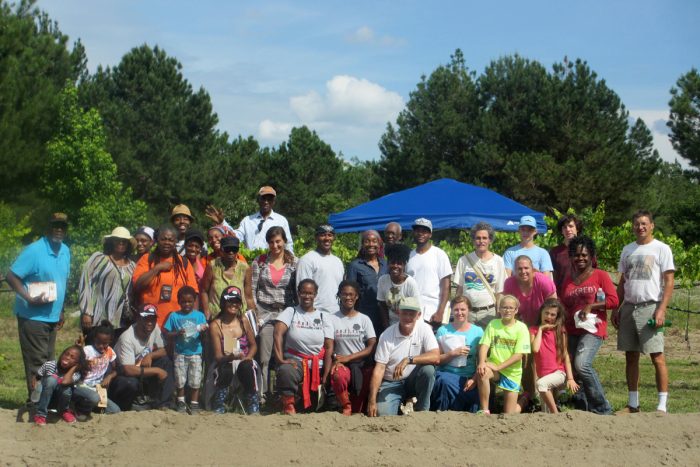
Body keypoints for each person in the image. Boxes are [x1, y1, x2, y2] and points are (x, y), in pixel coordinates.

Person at [613, 210, 674, 414]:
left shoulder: (661, 249)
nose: (640, 227)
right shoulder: (627, 249)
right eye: (637, 224)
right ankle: (633, 404)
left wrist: (661, 309)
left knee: (657, 356)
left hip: (650, 307)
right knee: (631, 356)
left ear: (652, 226)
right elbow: (623, 281)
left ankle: (662, 405)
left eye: (644, 223)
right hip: (630, 307)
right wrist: (616, 307)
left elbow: (669, 281)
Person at [6, 213, 71, 402]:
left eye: (62, 226)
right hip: (33, 317)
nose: (58, 229)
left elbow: (61, 281)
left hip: (51, 316)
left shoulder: (65, 250)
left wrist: (61, 310)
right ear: (47, 228)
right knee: (38, 364)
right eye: (55, 226)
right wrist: (28, 298)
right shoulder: (34, 251)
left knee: (49, 363)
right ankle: (36, 404)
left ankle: (43, 403)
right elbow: (12, 276)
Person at [560, 236, 618, 415]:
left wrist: (591, 306)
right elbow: (563, 302)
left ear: (592, 255)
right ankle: (582, 404)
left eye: (584, 255)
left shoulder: (600, 275)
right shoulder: (569, 278)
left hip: (593, 329)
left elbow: (614, 300)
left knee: (582, 364)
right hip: (571, 328)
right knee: (573, 367)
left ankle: (602, 408)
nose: (580, 258)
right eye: (576, 255)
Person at [367, 297, 439, 417]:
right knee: (383, 415)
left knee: (428, 370)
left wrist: (409, 360)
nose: (407, 317)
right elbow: (379, 369)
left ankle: (422, 412)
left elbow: (436, 356)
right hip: (391, 382)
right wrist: (372, 400)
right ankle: (403, 404)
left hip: (413, 380)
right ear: (398, 313)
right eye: (404, 313)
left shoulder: (425, 329)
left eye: (412, 314)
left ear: (419, 315)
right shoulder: (387, 335)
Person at [274, 279, 334, 414]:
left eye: (310, 293)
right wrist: (280, 359)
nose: (307, 296)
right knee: (286, 370)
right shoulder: (291, 312)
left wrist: (326, 373)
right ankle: (288, 405)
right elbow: (277, 333)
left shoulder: (324, 316)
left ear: (315, 294)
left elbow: (329, 347)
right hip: (296, 360)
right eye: (304, 293)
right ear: (298, 293)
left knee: (315, 405)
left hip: (317, 363)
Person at [503, 255, 556, 406]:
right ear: (514, 270)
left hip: (544, 322)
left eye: (526, 268)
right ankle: (530, 393)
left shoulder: (543, 281)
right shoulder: (510, 283)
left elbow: (554, 305)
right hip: (523, 323)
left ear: (533, 270)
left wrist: (549, 326)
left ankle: (552, 395)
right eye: (519, 268)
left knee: (544, 355)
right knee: (525, 356)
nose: (523, 271)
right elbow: (509, 306)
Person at [252, 226, 299, 396]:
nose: (275, 245)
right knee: (264, 357)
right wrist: (255, 315)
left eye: (278, 241)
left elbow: (297, 290)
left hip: (286, 313)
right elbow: (252, 289)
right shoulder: (260, 261)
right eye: (271, 242)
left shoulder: (294, 262)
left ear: (284, 241)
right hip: (264, 313)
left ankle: (283, 393)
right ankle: (263, 394)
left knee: (284, 355)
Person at [110, 304, 175, 411]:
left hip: (140, 369)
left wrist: (150, 355)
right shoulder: (127, 338)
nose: (149, 323)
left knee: (166, 362)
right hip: (120, 375)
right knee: (130, 383)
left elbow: (165, 350)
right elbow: (128, 369)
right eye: (145, 319)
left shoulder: (154, 328)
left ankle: (163, 404)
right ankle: (128, 406)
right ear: (138, 319)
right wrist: (156, 370)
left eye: (152, 319)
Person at [132, 225, 199, 328]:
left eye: (170, 240)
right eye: (163, 239)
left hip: (178, 323)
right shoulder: (147, 259)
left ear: (175, 242)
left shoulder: (183, 262)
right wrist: (157, 268)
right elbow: (137, 285)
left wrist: (193, 321)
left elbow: (194, 293)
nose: (167, 243)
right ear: (157, 240)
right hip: (150, 322)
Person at [476, 295, 531, 415]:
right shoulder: (493, 324)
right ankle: (484, 410)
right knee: (482, 372)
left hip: (512, 372)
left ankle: (524, 399)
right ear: (499, 309)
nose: (507, 310)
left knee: (509, 414)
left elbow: (519, 355)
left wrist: (499, 367)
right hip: (494, 368)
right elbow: (484, 345)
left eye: (511, 308)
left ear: (516, 310)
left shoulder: (522, 328)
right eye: (504, 307)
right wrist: (481, 362)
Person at [209, 286, 259, 414]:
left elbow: (253, 345)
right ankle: (219, 402)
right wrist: (229, 357)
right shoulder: (215, 325)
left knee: (247, 366)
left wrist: (248, 357)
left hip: (244, 359)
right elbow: (218, 356)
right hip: (225, 360)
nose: (234, 304)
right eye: (230, 301)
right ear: (223, 303)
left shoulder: (243, 320)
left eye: (237, 301)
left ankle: (252, 402)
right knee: (226, 368)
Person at [78, 226, 136, 337]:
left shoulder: (132, 266)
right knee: (95, 352)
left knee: (115, 354)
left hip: (121, 322)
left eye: (124, 241)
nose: (121, 243)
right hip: (97, 319)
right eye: (117, 240)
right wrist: (86, 312)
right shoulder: (98, 259)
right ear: (111, 242)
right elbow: (86, 283)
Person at [331, 280, 377, 415]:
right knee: (338, 375)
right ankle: (345, 405)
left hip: (361, 365)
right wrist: (336, 359)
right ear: (339, 295)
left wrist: (349, 357)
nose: (348, 297)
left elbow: (371, 346)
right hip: (342, 364)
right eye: (344, 294)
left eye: (351, 294)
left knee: (359, 409)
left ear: (356, 296)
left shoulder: (364, 319)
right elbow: (329, 345)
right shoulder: (331, 318)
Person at [430, 296, 484, 412]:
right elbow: (436, 359)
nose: (459, 313)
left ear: (468, 310)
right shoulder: (443, 331)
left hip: (469, 376)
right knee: (444, 382)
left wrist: (474, 379)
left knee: (475, 394)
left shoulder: (478, 332)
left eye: (463, 309)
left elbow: (481, 360)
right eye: (456, 310)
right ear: (452, 311)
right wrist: (453, 353)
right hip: (447, 374)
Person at [163, 286, 208, 414]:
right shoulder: (174, 316)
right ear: (179, 302)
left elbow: (204, 333)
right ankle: (181, 402)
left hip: (195, 352)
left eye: (190, 301)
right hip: (180, 353)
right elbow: (166, 332)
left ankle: (194, 403)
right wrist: (177, 333)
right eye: (183, 301)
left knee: (195, 378)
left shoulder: (199, 316)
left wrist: (204, 330)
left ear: (195, 301)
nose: (187, 304)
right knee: (180, 379)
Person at [453, 222, 506, 328]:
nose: (481, 241)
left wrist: (499, 313)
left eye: (484, 238)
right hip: (467, 314)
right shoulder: (463, 260)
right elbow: (459, 290)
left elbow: (499, 292)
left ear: (490, 240)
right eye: (478, 238)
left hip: (489, 313)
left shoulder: (498, 261)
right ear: (473, 240)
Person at [530, 300, 578, 414]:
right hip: (543, 375)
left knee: (541, 385)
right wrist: (541, 329)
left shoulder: (560, 331)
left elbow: (565, 355)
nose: (549, 316)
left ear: (557, 317)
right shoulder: (533, 330)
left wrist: (570, 378)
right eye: (546, 313)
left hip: (558, 373)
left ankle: (556, 414)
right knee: (545, 411)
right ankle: (553, 418)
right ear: (541, 312)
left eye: (552, 315)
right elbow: (535, 349)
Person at [406, 218, 452, 328]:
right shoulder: (409, 256)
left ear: (430, 234)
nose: (420, 234)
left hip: (433, 312)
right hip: (413, 311)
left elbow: (446, 286)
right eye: (417, 230)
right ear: (413, 233)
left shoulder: (439, 254)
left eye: (424, 231)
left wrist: (440, 312)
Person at [72, 321, 121, 417]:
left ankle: (91, 408)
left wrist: (109, 377)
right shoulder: (87, 350)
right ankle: (78, 408)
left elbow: (117, 368)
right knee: (94, 398)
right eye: (99, 343)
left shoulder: (110, 352)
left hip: (96, 388)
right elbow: (74, 361)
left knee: (115, 410)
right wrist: (78, 348)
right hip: (81, 385)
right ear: (94, 339)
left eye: (105, 343)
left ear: (110, 341)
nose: (101, 346)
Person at [201, 236, 254, 321]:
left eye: (234, 249)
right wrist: (206, 311)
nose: (231, 252)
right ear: (221, 250)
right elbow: (204, 291)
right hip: (216, 317)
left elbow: (249, 297)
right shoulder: (212, 266)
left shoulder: (245, 268)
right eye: (227, 249)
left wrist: (254, 317)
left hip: (239, 317)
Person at [346, 230, 388, 333]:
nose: (371, 244)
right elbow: (350, 293)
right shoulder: (355, 266)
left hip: (385, 315)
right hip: (365, 315)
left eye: (374, 241)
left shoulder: (386, 264)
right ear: (362, 245)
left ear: (379, 244)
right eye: (367, 241)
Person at [31, 345, 85, 425]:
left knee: (66, 388)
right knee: (50, 380)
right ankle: (40, 415)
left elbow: (65, 382)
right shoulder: (49, 365)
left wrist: (74, 368)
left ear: (77, 364)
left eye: (72, 357)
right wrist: (36, 388)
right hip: (45, 398)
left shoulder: (76, 373)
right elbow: (36, 377)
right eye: (66, 354)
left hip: (59, 401)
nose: (67, 357)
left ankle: (64, 411)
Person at [296, 225, 345, 313]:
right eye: (322, 235)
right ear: (316, 238)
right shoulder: (307, 260)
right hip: (314, 313)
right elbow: (302, 292)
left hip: (336, 313)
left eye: (330, 235)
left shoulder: (338, 262)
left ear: (334, 238)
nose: (327, 238)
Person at [233, 186, 294, 252]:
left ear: (274, 202)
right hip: (250, 261)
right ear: (258, 200)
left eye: (269, 199)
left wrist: (289, 259)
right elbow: (236, 236)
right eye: (263, 198)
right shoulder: (247, 221)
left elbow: (288, 244)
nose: (266, 202)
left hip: (272, 260)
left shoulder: (281, 221)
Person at [376, 243, 421, 330]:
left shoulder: (410, 283)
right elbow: (382, 305)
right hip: (391, 324)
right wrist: (386, 327)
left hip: (409, 324)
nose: (395, 266)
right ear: (388, 263)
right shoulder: (383, 280)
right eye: (392, 263)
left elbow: (417, 309)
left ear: (404, 265)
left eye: (399, 263)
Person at [549, 214, 582, 293]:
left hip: (583, 295)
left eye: (571, 226)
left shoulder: (586, 250)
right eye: (564, 227)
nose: (568, 229)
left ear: (577, 228)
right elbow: (552, 277)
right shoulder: (555, 252)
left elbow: (594, 272)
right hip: (562, 297)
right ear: (562, 231)